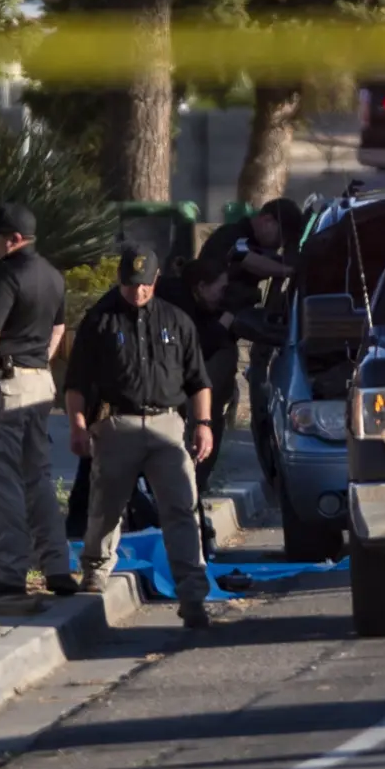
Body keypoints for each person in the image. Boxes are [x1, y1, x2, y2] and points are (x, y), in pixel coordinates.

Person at [64, 245, 217, 629]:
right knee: (106, 507)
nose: (139, 293)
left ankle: (193, 595)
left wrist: (203, 424)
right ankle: (95, 571)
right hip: (117, 426)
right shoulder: (100, 321)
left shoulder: (177, 321)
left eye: (145, 285)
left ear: (156, 279)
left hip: (167, 425)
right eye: (132, 286)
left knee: (181, 509)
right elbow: (76, 383)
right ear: (120, 281)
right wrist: (78, 425)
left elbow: (199, 381)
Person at [0, 203, 78, 597]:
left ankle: (9, 568)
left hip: (3, 386)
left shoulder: (6, 275)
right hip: (38, 383)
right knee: (35, 477)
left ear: (13, 239)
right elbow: (59, 329)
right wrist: (38, 359)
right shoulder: (53, 276)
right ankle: (56, 564)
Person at [197, 198, 302, 483]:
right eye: (279, 237)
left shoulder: (252, 242)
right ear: (267, 220)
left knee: (214, 409)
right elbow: (246, 259)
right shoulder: (234, 236)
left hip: (222, 335)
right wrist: (287, 270)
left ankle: (198, 481)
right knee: (205, 410)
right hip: (206, 332)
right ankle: (192, 481)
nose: (276, 246)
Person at [156, 256, 237, 557]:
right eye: (220, 288)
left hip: (172, 401)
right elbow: (198, 350)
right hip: (159, 403)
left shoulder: (193, 303)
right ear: (201, 287)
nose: (222, 295)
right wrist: (227, 319)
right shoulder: (177, 306)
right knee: (177, 474)